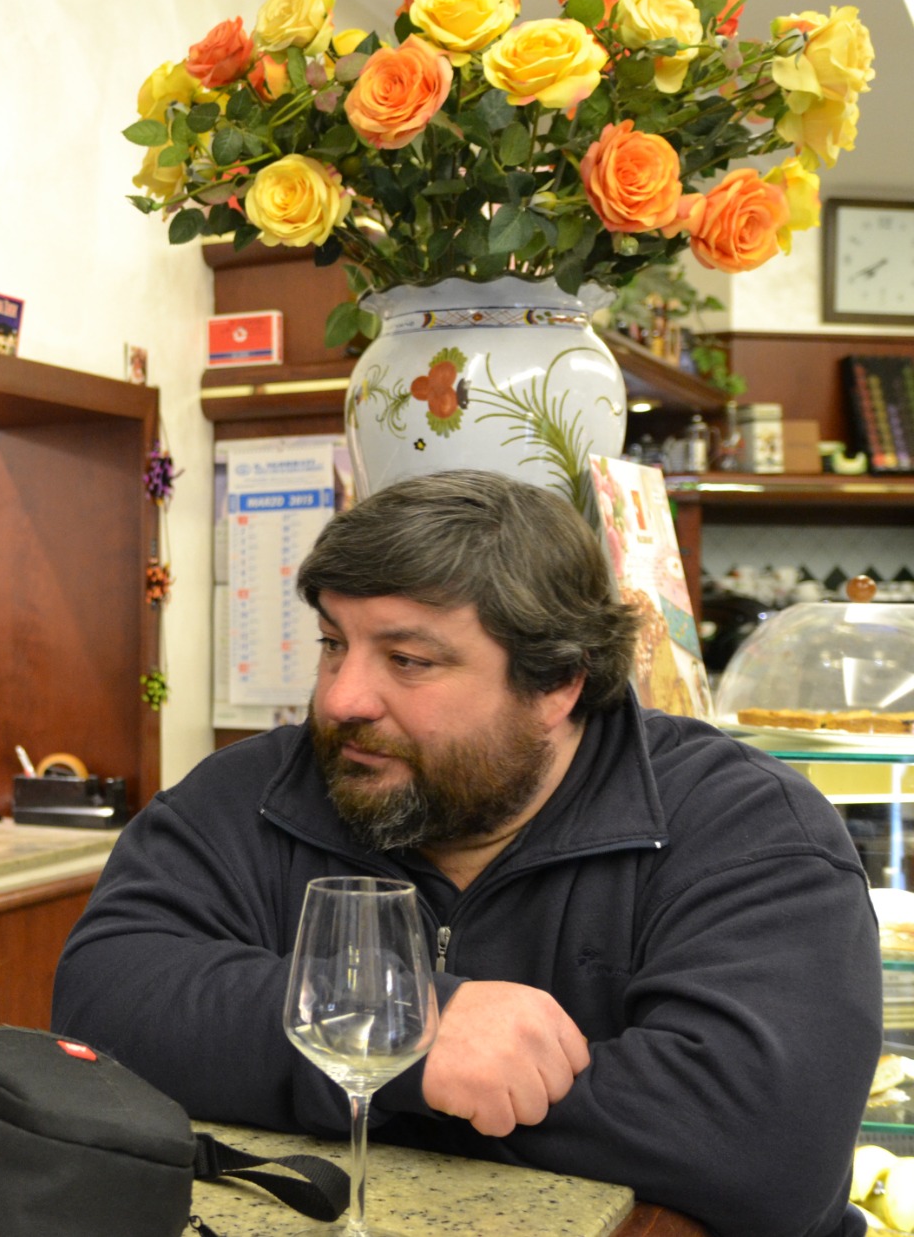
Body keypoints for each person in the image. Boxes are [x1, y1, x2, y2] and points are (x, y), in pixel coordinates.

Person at [52, 470, 879, 1237]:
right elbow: (102, 1003)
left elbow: (768, 1145)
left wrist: (333, 1081)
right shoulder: (253, 792)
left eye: (408, 660)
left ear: (557, 682)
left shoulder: (745, 825)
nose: (342, 697)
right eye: (334, 642)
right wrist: (410, 1038)